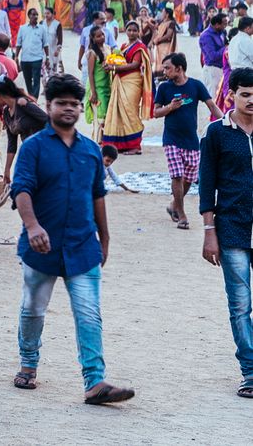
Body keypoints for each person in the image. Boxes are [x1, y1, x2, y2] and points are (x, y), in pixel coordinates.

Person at [11, 74, 133, 404]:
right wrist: (33, 226)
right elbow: (20, 189)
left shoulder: (92, 151)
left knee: (89, 314)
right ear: (48, 105)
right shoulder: (34, 148)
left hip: (83, 247)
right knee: (33, 310)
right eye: (61, 103)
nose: (68, 109)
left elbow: (97, 196)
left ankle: (94, 382)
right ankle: (28, 363)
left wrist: (104, 237)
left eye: (74, 104)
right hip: (42, 248)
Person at [199, 66, 253, 398]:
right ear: (231, 94)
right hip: (231, 227)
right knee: (240, 304)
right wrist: (209, 230)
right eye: (245, 94)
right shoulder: (217, 133)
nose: (252, 101)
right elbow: (207, 185)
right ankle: (250, 371)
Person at [155, 51, 215, 230]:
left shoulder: (196, 85)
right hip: (171, 139)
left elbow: (211, 105)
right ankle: (181, 214)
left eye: (168, 68)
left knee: (189, 178)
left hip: (191, 140)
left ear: (179, 68)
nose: (164, 71)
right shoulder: (164, 88)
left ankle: (173, 205)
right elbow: (156, 112)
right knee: (177, 175)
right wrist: (170, 107)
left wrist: (225, 123)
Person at [101, 21, 150, 154]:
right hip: (121, 80)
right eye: (129, 30)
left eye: (134, 30)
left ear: (138, 31)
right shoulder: (123, 46)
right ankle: (121, 144)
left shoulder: (139, 47)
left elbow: (135, 65)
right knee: (119, 113)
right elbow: (120, 60)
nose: (132, 33)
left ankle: (135, 146)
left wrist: (114, 67)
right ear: (126, 31)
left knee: (130, 111)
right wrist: (110, 64)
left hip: (132, 81)